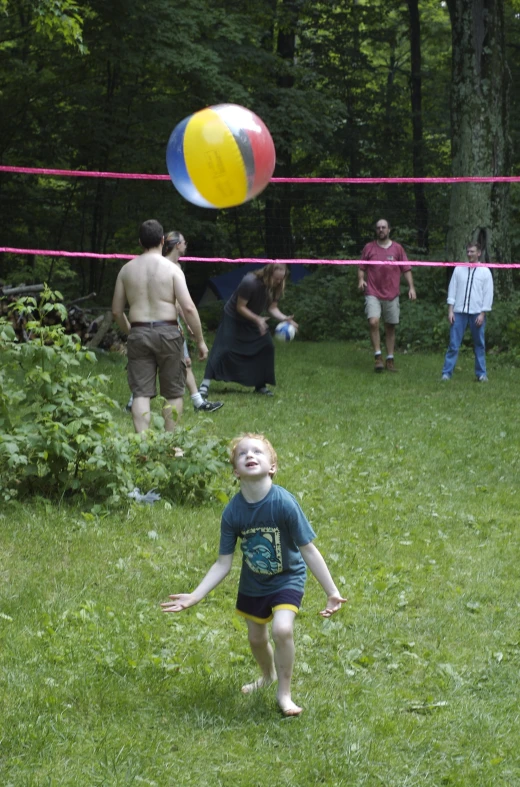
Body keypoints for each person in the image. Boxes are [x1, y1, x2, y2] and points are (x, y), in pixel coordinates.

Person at [161, 432, 347, 717]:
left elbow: (308, 549)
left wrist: (331, 591)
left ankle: (284, 694)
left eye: (258, 452)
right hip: (253, 583)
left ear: (272, 466)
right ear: (235, 470)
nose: (250, 455)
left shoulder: (284, 503)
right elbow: (223, 563)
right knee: (256, 639)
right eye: (242, 453)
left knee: (282, 629)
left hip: (287, 576)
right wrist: (195, 596)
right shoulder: (233, 513)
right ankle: (267, 675)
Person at [112, 219, 209, 433]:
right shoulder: (172, 269)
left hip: (138, 331)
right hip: (168, 332)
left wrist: (131, 331)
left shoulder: (126, 270)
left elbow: (117, 312)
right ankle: (170, 442)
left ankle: (142, 445)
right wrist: (200, 341)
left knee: (141, 393)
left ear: (140, 242)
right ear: (162, 240)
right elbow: (189, 308)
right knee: (173, 392)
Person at [198, 264, 297, 398]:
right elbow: (240, 307)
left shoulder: (277, 286)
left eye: (281, 279)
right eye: (276, 279)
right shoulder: (250, 282)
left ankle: (260, 386)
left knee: (267, 346)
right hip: (233, 316)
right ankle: (204, 385)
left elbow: (272, 308)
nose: (279, 282)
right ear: (268, 274)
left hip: (254, 319)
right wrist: (258, 320)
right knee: (223, 348)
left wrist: (285, 318)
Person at [358, 218, 416, 372]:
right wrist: (361, 279)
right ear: (376, 230)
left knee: (390, 327)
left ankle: (390, 359)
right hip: (373, 292)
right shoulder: (369, 248)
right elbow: (361, 267)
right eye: (378, 228)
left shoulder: (397, 249)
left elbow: (406, 269)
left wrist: (411, 287)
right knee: (373, 322)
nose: (381, 230)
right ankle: (378, 357)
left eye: (384, 227)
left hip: (392, 293)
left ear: (389, 229)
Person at [441, 242, 493, 382]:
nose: (469, 254)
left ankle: (481, 374)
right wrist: (450, 310)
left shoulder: (485, 271)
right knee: (453, 344)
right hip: (459, 312)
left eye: (472, 252)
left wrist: (483, 313)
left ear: (479, 253)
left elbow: (488, 294)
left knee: (479, 345)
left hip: (477, 313)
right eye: (468, 251)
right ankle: (446, 373)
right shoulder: (459, 269)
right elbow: (452, 289)